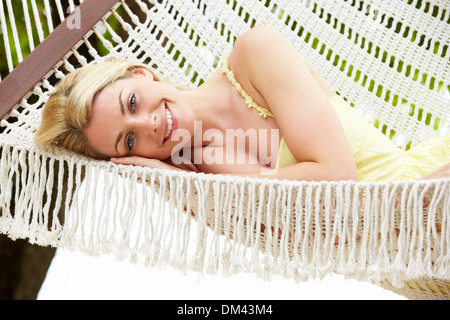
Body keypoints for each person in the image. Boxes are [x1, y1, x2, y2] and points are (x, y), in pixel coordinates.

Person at [35, 26, 450, 182]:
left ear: (142, 74)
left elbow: (338, 175)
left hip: (428, 187)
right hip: (406, 251)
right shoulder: (199, 175)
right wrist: (180, 183)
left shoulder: (255, 55)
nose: (149, 125)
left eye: (132, 103)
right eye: (128, 141)